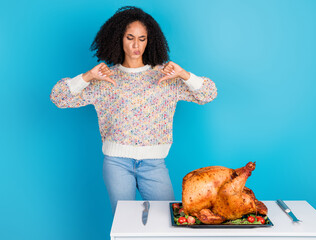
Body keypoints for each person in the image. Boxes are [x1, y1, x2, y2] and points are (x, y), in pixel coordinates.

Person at [50, 6, 217, 214]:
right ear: (119, 38)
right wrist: (87, 77)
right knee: (124, 226)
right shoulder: (104, 78)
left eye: (142, 38)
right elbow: (58, 97)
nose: (136, 45)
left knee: (169, 220)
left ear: (150, 40)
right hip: (116, 164)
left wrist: (184, 74)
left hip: (154, 164)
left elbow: (209, 93)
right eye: (130, 37)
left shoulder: (165, 77)